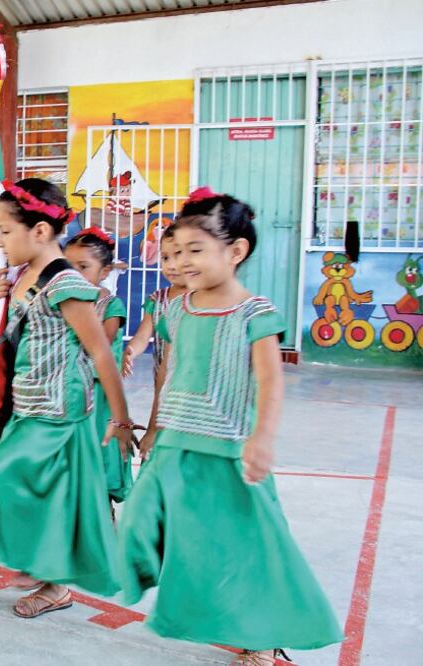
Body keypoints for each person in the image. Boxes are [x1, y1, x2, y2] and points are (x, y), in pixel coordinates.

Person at [119, 188, 343, 665]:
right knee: (138, 517)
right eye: (175, 252)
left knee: (246, 549)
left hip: (229, 450)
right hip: (176, 443)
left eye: (195, 250)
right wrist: (154, 424)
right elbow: (170, 370)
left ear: (236, 251)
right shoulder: (176, 308)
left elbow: (270, 380)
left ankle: (261, 639)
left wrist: (262, 439)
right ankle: (160, 590)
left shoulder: (255, 313)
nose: (181, 262)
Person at [0, 178, 136, 619]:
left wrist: (119, 418)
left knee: (3, 479)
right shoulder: (21, 278)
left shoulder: (65, 284)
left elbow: (101, 352)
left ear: (40, 231)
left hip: (59, 410)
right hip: (28, 405)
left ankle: (48, 578)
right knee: (26, 489)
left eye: (6, 231)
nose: (0, 241)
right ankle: (47, 576)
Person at [64, 226, 132, 508]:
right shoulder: (63, 300)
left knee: (100, 444)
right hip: (70, 387)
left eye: (83, 267)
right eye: (69, 266)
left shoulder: (110, 304)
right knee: (73, 446)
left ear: (104, 271)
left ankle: (103, 503)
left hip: (100, 391)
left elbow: (101, 344)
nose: (74, 273)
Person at [122, 231, 187, 382]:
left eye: (178, 256)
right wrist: (132, 351)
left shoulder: (203, 300)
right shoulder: (157, 300)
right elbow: (142, 336)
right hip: (162, 378)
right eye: (165, 258)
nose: (171, 265)